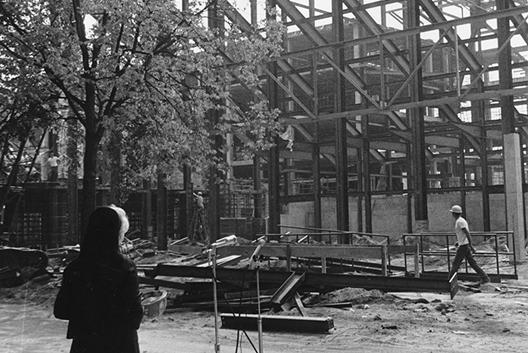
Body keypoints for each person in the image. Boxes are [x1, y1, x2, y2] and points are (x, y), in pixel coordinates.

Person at [54, 205, 143, 353]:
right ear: (116, 234)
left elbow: (61, 310)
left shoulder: (75, 268)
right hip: (121, 344)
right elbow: (135, 317)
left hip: (85, 344)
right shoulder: (125, 267)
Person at [447, 205, 490, 285]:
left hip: (463, 246)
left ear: (454, 214)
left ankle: (449, 281)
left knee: (455, 264)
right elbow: (463, 234)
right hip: (464, 244)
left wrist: (471, 245)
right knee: (472, 263)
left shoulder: (460, 222)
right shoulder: (461, 220)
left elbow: (467, 233)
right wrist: (458, 241)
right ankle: (485, 278)